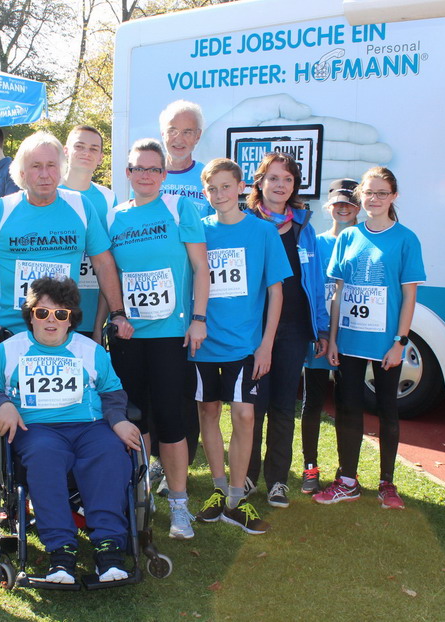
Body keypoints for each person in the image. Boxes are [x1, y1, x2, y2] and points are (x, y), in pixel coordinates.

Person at [0, 276, 141, 584]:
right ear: (31, 315)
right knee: (44, 456)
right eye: (43, 312)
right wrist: (2, 403)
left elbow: (112, 391)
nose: (51, 320)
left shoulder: (89, 350)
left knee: (110, 452)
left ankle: (108, 550)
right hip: (37, 428)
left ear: (71, 319)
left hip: (89, 427)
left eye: (60, 314)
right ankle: (61, 551)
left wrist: (118, 419)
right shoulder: (9, 351)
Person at [104, 138, 209, 540]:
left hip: (170, 335)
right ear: (127, 173)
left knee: (170, 419)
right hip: (128, 336)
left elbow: (201, 268)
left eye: (153, 169)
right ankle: (141, 494)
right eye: (138, 168)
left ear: (164, 174)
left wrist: (198, 319)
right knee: (135, 417)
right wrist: (106, 324)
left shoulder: (179, 208)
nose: (145, 175)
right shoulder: (114, 217)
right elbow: (110, 276)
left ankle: (179, 504)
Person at [315, 167, 426, 509]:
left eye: (382, 193)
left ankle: (387, 483)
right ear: (360, 196)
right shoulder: (349, 236)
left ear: (394, 196)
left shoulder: (406, 239)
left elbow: (409, 296)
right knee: (348, 408)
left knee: (387, 409)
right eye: (369, 193)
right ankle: (347, 480)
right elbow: (339, 292)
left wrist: (400, 342)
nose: (374, 199)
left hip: (386, 343)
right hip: (349, 340)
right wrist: (334, 339)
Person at [191, 159, 290, 535]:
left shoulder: (263, 232)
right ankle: (219, 490)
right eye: (212, 188)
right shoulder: (198, 231)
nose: (219, 194)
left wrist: (266, 345)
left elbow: (276, 292)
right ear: (205, 192)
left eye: (225, 186)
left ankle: (236, 498)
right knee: (208, 412)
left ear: (241, 187)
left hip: (245, 344)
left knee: (245, 415)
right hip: (203, 342)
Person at [0, 130, 134, 348]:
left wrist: (118, 313)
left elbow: (103, 263)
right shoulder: (0, 210)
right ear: (22, 173)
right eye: (36, 166)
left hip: (63, 334)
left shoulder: (81, 206)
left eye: (51, 165)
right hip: (8, 334)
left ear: (61, 169)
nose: (45, 174)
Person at [245, 152, 329, 509]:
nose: (281, 185)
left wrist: (321, 328)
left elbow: (316, 281)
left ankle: (278, 480)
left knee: (282, 407)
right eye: (274, 178)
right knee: (251, 407)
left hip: (293, 331)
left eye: (288, 179)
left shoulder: (303, 229)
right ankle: (246, 475)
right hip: (252, 331)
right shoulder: (246, 223)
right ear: (260, 182)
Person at [299, 179, 359, 494]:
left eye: (349, 203)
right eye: (338, 203)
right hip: (320, 335)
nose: (343, 208)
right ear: (329, 207)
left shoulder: (364, 242)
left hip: (352, 336)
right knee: (313, 402)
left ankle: (346, 471)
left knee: (348, 404)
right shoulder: (317, 242)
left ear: (358, 207)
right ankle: (310, 468)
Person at [59, 125, 117, 339]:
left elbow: (109, 262)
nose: (86, 153)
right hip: (51, 311)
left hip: (92, 312)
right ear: (66, 151)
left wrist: (99, 325)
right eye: (79, 146)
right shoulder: (48, 191)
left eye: (94, 149)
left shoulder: (108, 198)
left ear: (101, 157)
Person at [159, 100, 212, 219]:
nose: (179, 139)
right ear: (163, 133)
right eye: (172, 131)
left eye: (187, 132)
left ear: (198, 136)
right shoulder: (147, 176)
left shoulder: (209, 176)